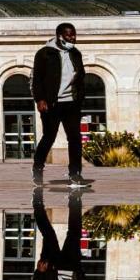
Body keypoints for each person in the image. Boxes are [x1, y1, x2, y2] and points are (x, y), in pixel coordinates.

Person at [31, 22, 89, 188]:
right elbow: (37, 79)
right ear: (59, 36)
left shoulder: (75, 53)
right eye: (69, 35)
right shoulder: (44, 53)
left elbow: (81, 75)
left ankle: (75, 174)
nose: (72, 38)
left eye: (74, 35)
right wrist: (40, 99)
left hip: (72, 103)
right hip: (52, 104)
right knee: (49, 137)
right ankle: (37, 168)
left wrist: (80, 98)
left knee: (75, 138)